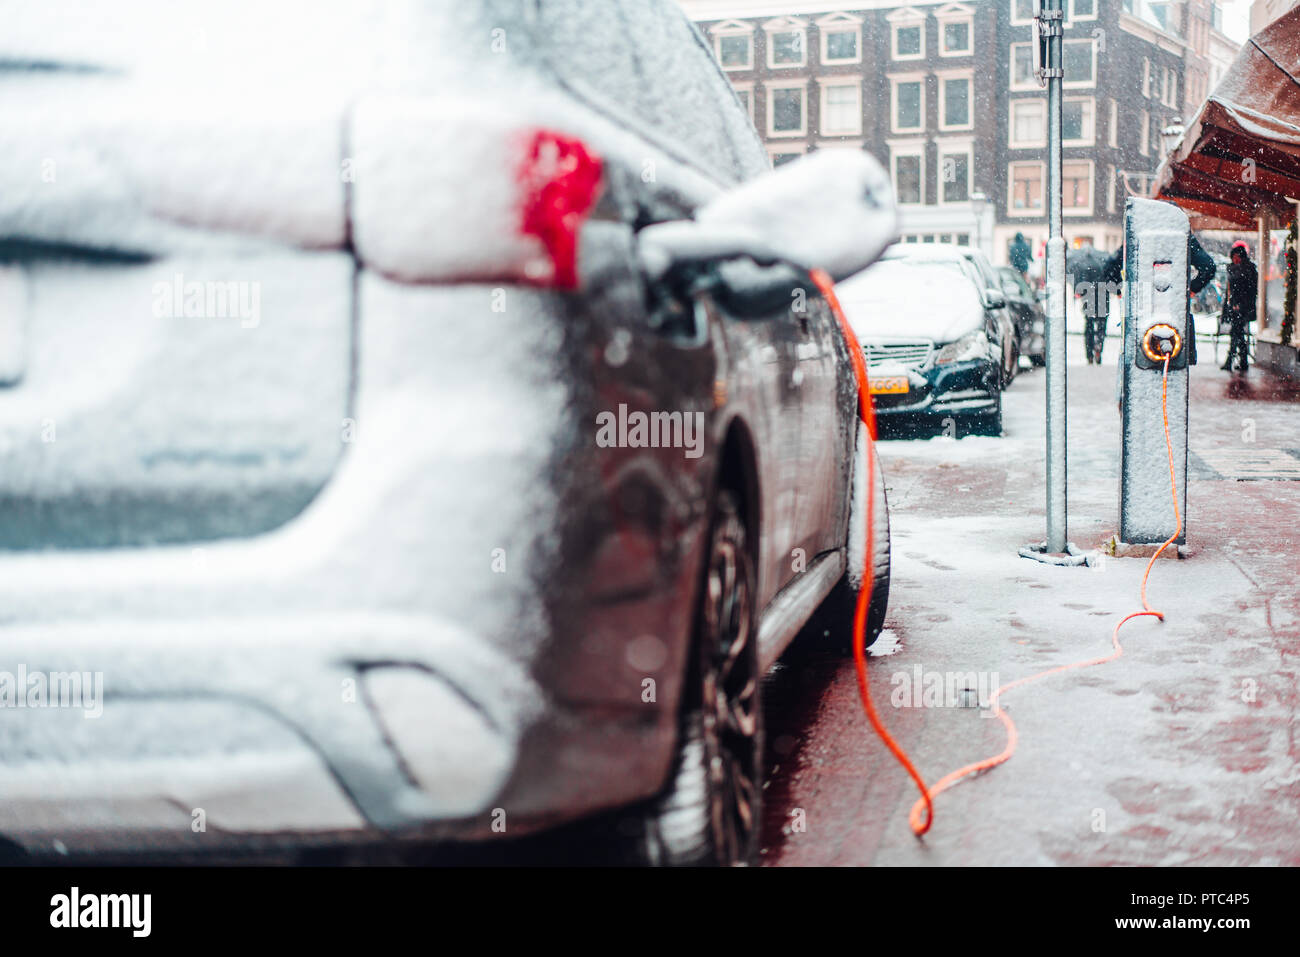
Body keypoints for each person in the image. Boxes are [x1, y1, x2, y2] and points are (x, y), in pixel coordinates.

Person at [1221, 240, 1257, 373]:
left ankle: (1232, 360)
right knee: (1238, 334)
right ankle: (1242, 361)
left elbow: (1249, 290)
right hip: (1236, 307)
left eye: (1237, 257)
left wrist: (1240, 304)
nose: (1235, 259)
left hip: (1242, 308)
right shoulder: (1236, 269)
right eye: (1234, 257)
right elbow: (1231, 290)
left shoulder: (1247, 270)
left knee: (1236, 333)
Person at [1187, 233, 1216, 367]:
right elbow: (1209, 267)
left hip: (1144, 304)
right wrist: (1192, 288)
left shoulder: (1139, 227)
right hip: (1176, 304)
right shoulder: (1182, 235)